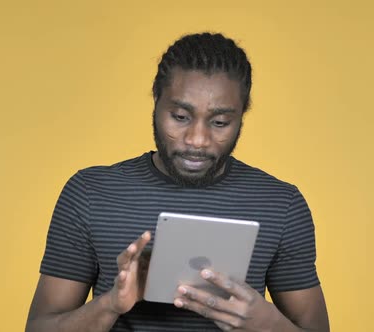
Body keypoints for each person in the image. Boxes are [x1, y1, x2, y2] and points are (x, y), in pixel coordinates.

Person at [25, 32, 330, 332]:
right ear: (156, 103)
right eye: (180, 116)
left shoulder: (281, 204)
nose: (197, 140)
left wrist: (265, 323)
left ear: (242, 115)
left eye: (220, 122)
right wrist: (110, 305)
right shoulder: (90, 193)